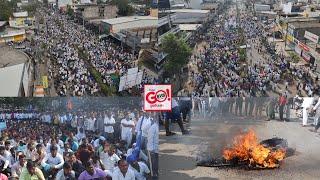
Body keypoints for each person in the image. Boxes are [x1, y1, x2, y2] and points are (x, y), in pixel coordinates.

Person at [147, 113, 159, 178]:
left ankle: (157, 172)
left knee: (157, 162)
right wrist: (151, 149)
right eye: (157, 118)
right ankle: (154, 175)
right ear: (156, 119)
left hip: (158, 148)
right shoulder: (153, 127)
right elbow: (150, 138)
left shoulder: (158, 126)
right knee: (154, 163)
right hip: (153, 149)